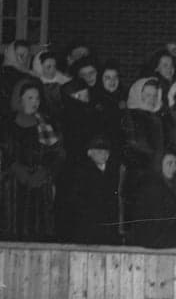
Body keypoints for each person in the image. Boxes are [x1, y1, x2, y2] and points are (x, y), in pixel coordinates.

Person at [2, 80, 64, 241]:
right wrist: (14, 168)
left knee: (37, 231)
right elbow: (3, 151)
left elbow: (57, 152)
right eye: (30, 98)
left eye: (37, 98)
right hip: (12, 188)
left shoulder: (46, 124)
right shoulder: (6, 125)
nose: (35, 102)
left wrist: (44, 171)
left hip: (38, 186)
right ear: (19, 99)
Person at [54, 134, 122, 245]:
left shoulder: (113, 172)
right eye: (99, 152)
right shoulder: (81, 172)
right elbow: (76, 199)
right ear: (89, 153)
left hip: (107, 225)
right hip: (87, 225)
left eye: (106, 152)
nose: (104, 155)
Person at [127, 150, 176, 249]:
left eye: (175, 163)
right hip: (155, 243)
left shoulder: (168, 185)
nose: (174, 168)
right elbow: (158, 219)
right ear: (158, 165)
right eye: (169, 163)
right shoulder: (152, 187)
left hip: (165, 240)